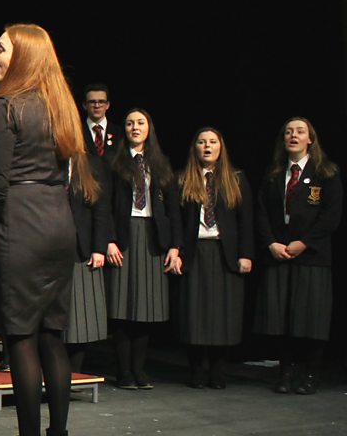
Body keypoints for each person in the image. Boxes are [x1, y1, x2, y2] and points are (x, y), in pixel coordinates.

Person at [0, 24, 100, 436]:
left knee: (21, 338)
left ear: (23, 56)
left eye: (1, 48)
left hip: (22, 221)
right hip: (57, 220)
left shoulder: (9, 105)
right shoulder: (59, 106)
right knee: (52, 335)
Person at [254, 118, 341, 394]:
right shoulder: (274, 174)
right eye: (289, 132)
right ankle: (285, 372)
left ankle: (311, 374)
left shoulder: (325, 173)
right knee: (281, 317)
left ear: (310, 139)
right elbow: (261, 213)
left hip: (311, 256)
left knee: (310, 318)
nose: (294, 135)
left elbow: (331, 215)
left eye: (300, 132)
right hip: (280, 254)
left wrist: (305, 242)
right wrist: (271, 243)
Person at [105, 109, 182, 390]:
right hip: (125, 237)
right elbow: (105, 205)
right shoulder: (114, 161)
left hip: (152, 238)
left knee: (146, 309)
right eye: (129, 123)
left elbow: (173, 208)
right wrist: (109, 240)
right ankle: (124, 371)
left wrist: (175, 245)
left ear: (149, 128)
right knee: (123, 307)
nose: (134, 127)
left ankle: (139, 370)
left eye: (140, 123)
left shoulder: (160, 163)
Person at [176, 128, 253, 389]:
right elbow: (176, 220)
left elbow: (246, 221)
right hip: (195, 251)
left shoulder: (236, 179)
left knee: (224, 314)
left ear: (221, 147)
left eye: (212, 142)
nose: (207, 146)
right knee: (194, 313)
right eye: (201, 142)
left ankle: (218, 370)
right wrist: (176, 250)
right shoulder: (184, 178)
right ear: (194, 147)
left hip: (224, 252)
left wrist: (245, 254)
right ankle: (197, 369)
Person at [63, 134, 114, 376]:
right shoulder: (50, 161)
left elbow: (101, 209)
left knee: (81, 316)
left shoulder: (92, 165)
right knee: (57, 313)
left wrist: (98, 248)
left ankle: (74, 375)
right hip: (52, 247)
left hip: (83, 249)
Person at [81, 83, 114, 157]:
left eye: (101, 101)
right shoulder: (77, 132)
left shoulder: (119, 133)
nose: (97, 106)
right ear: (84, 105)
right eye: (92, 102)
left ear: (107, 105)